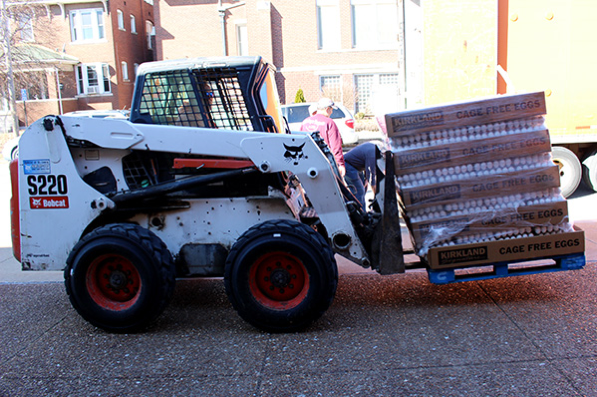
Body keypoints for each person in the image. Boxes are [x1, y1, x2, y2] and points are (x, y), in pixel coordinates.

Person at [300, 98, 345, 178]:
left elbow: (299, 142)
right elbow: (335, 147)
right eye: (331, 110)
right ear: (327, 109)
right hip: (324, 164)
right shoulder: (329, 123)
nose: (331, 112)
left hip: (307, 164)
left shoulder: (305, 122)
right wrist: (340, 164)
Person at [344, 142, 382, 211]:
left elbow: (367, 167)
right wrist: (377, 196)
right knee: (360, 192)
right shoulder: (373, 155)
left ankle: (358, 210)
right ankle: (361, 216)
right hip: (349, 166)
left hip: (357, 167)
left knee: (364, 188)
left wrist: (366, 179)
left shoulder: (373, 149)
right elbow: (372, 178)